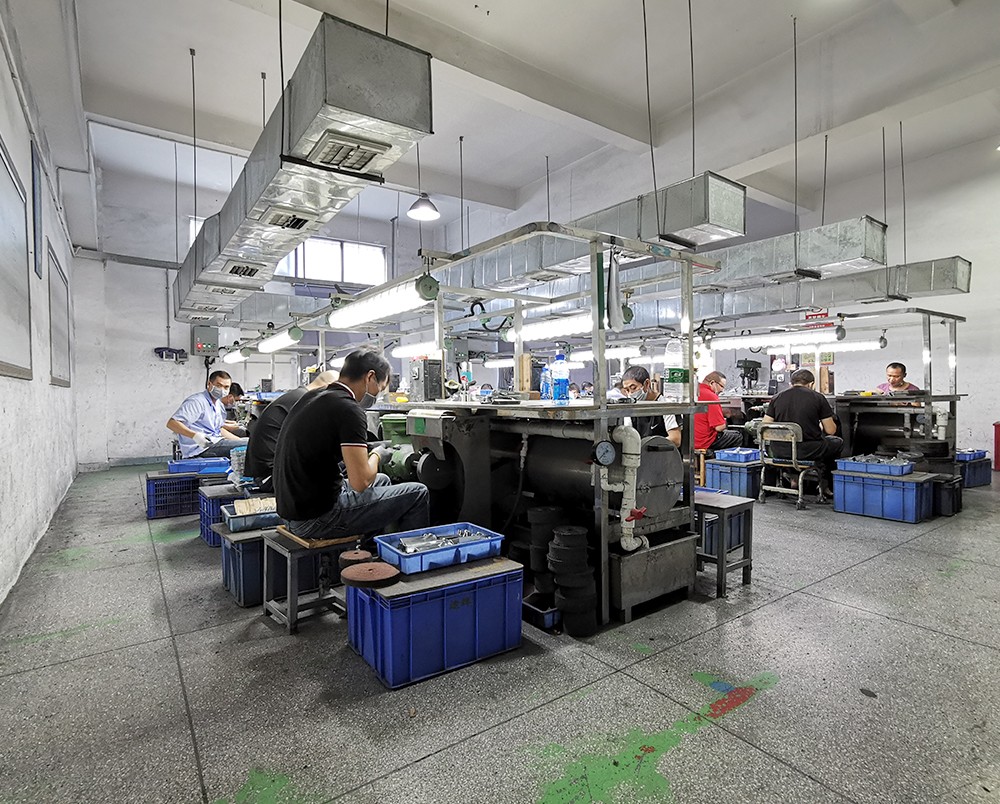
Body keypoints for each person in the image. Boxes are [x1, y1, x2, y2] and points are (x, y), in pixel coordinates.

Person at [273, 349, 429, 543]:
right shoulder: (349, 409)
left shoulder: (314, 397)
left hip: (292, 510)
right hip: (316, 518)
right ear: (370, 377)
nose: (376, 395)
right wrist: (378, 455)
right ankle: (408, 555)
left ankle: (370, 549)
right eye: (379, 389)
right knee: (418, 493)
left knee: (381, 480)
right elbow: (360, 482)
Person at [243, 371, 337, 491]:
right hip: (272, 477)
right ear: (329, 387)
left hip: (267, 474)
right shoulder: (306, 402)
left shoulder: (298, 396)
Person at [762, 368, 843, 480]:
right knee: (836, 443)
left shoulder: (776, 398)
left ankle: (793, 479)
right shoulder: (818, 397)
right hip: (806, 451)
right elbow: (831, 430)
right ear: (811, 384)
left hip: (779, 450)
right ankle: (826, 482)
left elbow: (765, 427)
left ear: (792, 383)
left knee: (798, 448)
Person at [166, 370, 249, 458]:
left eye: (226, 387)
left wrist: (239, 441)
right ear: (209, 384)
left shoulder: (218, 404)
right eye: (218, 385)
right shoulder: (197, 401)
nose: (222, 390)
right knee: (251, 446)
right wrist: (195, 436)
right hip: (201, 448)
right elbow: (172, 423)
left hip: (215, 441)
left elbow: (219, 430)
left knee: (251, 443)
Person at [621, 365, 681, 447]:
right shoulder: (631, 409)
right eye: (627, 390)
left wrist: (647, 446)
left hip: (664, 454)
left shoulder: (666, 405)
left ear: (646, 384)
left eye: (633, 388)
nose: (630, 393)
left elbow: (675, 439)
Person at [694, 371, 743, 453]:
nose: (722, 390)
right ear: (712, 383)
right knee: (737, 436)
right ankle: (720, 458)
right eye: (721, 386)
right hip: (704, 441)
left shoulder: (694, 392)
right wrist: (725, 421)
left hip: (691, 440)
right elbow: (719, 427)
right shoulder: (711, 396)